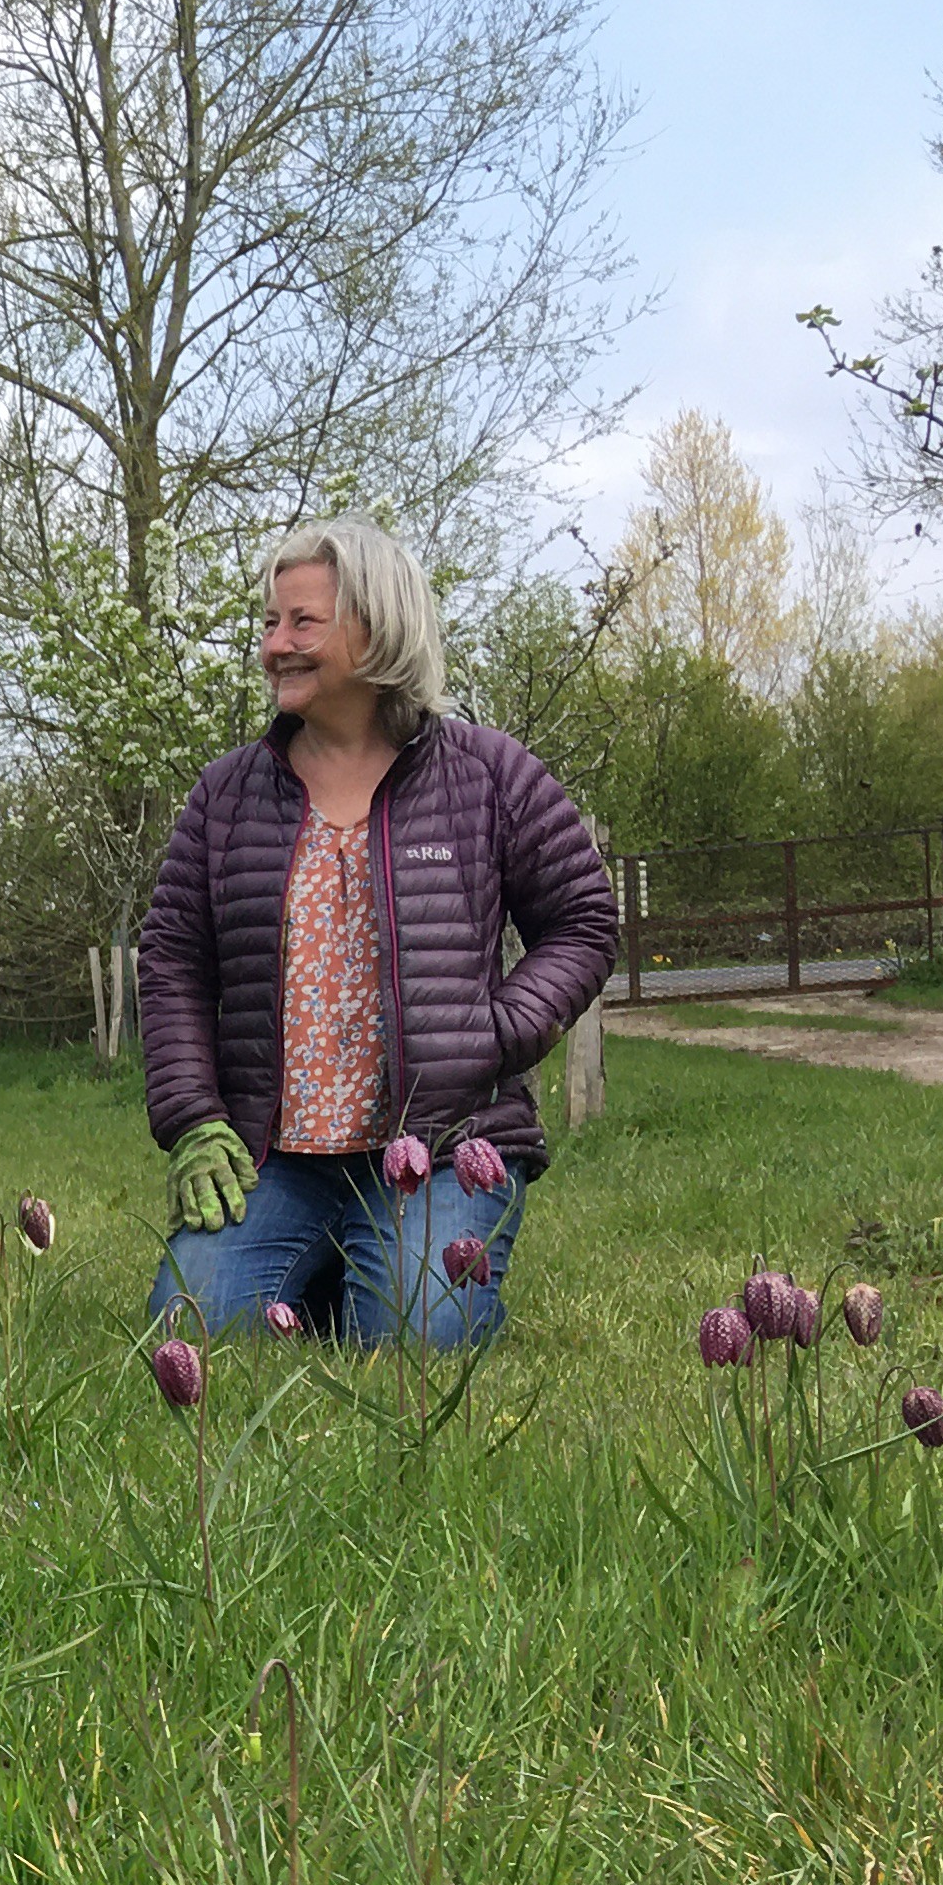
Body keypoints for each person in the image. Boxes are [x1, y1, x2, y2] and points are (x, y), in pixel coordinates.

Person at [140, 519, 619, 1345]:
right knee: (192, 1328)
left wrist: (493, 1034)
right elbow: (175, 961)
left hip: (444, 1143)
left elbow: (583, 919)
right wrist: (192, 1119)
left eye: (302, 623)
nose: (274, 645)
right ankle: (335, 1266)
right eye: (268, 624)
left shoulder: (488, 773)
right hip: (277, 1154)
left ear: (377, 627)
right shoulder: (224, 797)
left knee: (414, 1337)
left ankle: (382, 1271)